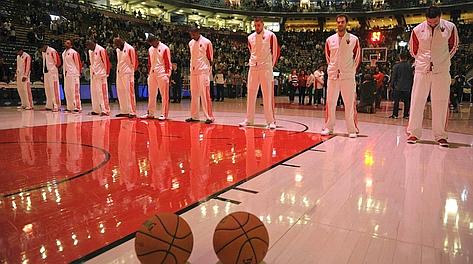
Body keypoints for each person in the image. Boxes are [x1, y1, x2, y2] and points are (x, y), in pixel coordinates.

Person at [407, 6, 459, 147]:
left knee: (441, 102)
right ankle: (413, 133)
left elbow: (453, 46)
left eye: (435, 22)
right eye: (430, 22)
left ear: (439, 17)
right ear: (426, 19)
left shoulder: (450, 27)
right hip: (421, 70)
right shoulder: (417, 30)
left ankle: (440, 135)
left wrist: (442, 60)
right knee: (417, 101)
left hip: (441, 71)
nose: (432, 24)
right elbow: (413, 49)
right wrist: (423, 61)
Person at [322, 14, 361, 138]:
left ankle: (352, 129)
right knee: (330, 102)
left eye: (342, 22)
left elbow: (357, 57)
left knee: (349, 103)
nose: (340, 24)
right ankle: (329, 127)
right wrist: (333, 69)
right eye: (338, 22)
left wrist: (350, 70)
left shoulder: (354, 39)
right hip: (333, 76)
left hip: (348, 76)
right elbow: (328, 58)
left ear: (346, 23)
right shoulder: (329, 40)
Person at [239, 17, 279, 129]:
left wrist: (271, 66)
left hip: (266, 68)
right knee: (250, 94)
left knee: (267, 95)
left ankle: (271, 121)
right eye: (255, 25)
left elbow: (275, 52)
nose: (257, 27)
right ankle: (249, 119)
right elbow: (251, 51)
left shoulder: (271, 36)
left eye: (258, 25)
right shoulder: (250, 37)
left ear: (263, 24)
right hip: (253, 68)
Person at [186, 26, 214, 124]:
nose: (192, 35)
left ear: (198, 32)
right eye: (191, 34)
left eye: (194, 33)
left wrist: (208, 71)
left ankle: (209, 116)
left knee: (205, 94)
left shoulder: (207, 42)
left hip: (203, 71)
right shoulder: (190, 43)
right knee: (194, 94)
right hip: (193, 71)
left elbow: (210, 58)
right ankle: (194, 116)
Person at [141, 34, 171, 120]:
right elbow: (149, 63)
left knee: (164, 95)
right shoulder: (150, 49)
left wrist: (167, 75)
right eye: (150, 42)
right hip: (152, 73)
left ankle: (164, 114)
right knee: (151, 94)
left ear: (156, 39)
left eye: (152, 41)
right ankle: (150, 113)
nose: (151, 44)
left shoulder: (165, 48)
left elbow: (168, 63)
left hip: (162, 73)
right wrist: (149, 73)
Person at [113, 36, 139, 118]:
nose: (116, 46)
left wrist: (132, 73)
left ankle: (132, 111)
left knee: (129, 93)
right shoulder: (117, 50)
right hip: (119, 73)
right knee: (120, 91)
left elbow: (135, 62)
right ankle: (124, 110)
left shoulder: (130, 48)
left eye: (117, 44)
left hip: (128, 74)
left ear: (121, 42)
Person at [86, 39, 111, 116]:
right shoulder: (90, 52)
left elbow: (106, 62)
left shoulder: (101, 50)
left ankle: (105, 110)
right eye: (87, 45)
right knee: (94, 92)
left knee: (102, 92)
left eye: (90, 45)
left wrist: (106, 73)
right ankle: (95, 110)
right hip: (93, 74)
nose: (89, 47)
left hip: (101, 74)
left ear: (94, 43)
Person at [389, 53, 413, 119]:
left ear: (400, 57)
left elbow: (393, 76)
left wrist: (391, 85)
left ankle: (395, 114)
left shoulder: (396, 66)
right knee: (407, 101)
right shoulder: (410, 66)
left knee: (396, 101)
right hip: (407, 86)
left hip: (398, 86)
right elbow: (412, 76)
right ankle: (406, 115)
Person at [62, 39, 82, 113]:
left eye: (68, 43)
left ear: (71, 45)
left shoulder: (74, 53)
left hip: (74, 74)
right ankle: (69, 107)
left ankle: (77, 107)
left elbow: (78, 63)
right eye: (65, 42)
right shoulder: (63, 53)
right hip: (66, 74)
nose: (66, 44)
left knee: (74, 91)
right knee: (67, 91)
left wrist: (78, 73)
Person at [40, 43, 62, 111]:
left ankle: (56, 105)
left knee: (54, 89)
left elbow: (58, 62)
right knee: (47, 89)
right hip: (46, 73)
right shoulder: (43, 53)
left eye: (41, 49)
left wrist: (53, 69)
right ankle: (49, 105)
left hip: (52, 72)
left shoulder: (52, 51)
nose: (41, 50)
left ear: (44, 46)